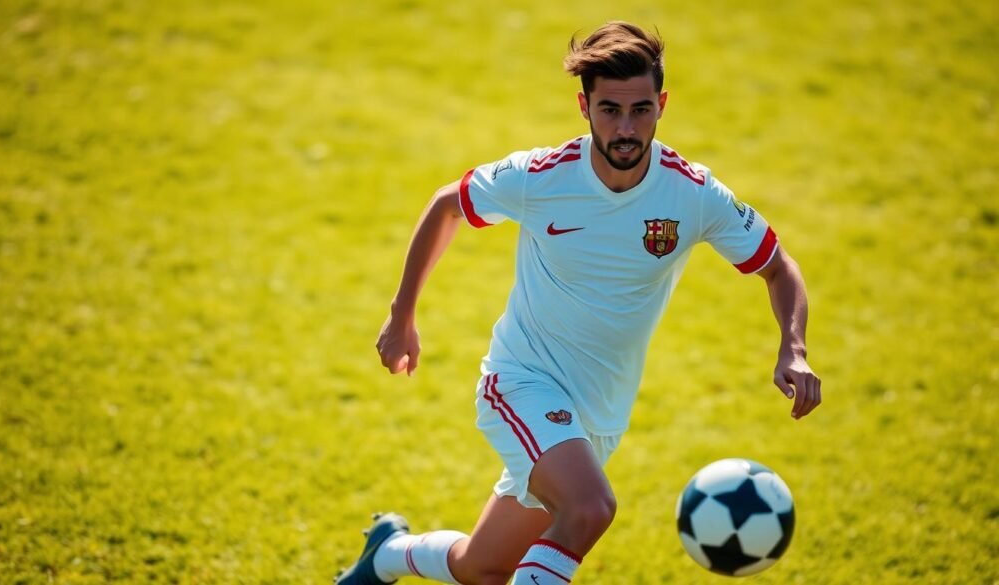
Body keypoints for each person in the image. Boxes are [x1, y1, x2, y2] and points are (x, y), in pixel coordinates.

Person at [335, 21, 822, 585]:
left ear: (662, 105)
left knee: (486, 567)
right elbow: (449, 205)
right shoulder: (542, 177)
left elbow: (777, 266)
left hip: (600, 415)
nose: (625, 127)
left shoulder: (692, 194)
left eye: (640, 110)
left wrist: (795, 348)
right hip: (521, 381)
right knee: (589, 509)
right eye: (609, 110)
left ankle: (388, 554)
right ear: (583, 106)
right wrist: (403, 315)